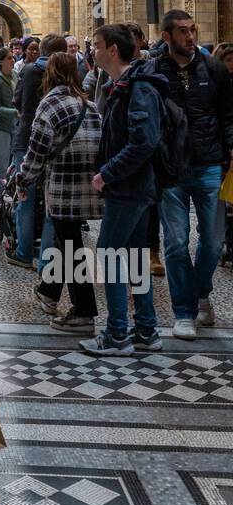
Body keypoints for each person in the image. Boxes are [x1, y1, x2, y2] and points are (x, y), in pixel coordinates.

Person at [79, 23, 168, 357]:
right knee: (133, 259)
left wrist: (107, 173)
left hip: (129, 188)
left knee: (111, 255)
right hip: (135, 187)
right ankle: (145, 328)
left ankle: (117, 334)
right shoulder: (124, 84)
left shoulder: (138, 87)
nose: (92, 51)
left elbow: (144, 141)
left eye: (97, 45)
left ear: (112, 50)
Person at [147, 9, 233, 335]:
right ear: (167, 36)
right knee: (175, 242)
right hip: (171, 168)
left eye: (192, 30)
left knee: (212, 242)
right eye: (182, 31)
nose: (190, 36)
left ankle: (202, 294)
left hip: (209, 163)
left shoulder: (212, 68)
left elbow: (227, 113)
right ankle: (184, 311)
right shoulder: (154, 70)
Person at [15, 52, 102, 334]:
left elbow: (37, 150)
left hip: (63, 187)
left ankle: (84, 311)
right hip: (88, 183)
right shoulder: (89, 103)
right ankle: (49, 293)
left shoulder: (49, 104)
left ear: (50, 74)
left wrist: (23, 180)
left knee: (72, 248)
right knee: (69, 240)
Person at [7, 34, 66, 269]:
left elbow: (18, 103)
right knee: (52, 200)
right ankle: (47, 260)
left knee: (25, 195)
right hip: (58, 141)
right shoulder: (66, 72)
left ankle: (24, 251)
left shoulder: (30, 70)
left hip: (28, 138)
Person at [0, 47, 18, 197]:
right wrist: (15, 112)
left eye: (12, 57)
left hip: (14, 124)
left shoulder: (15, 75)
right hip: (0, 126)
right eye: (9, 58)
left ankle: (10, 190)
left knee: (13, 161)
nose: (12, 60)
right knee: (1, 162)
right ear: (0, 61)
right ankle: (0, 194)